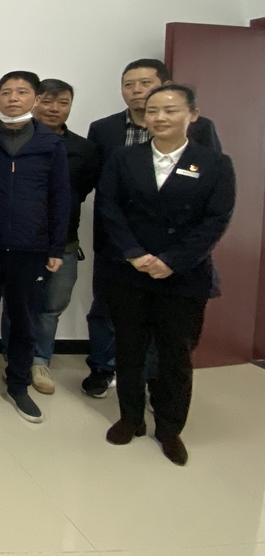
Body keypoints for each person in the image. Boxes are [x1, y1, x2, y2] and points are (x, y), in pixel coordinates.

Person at [96, 84, 235, 465]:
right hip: (131, 271)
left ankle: (170, 428)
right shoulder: (125, 158)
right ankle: (130, 417)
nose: (160, 117)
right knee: (129, 348)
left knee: (176, 353)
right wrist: (134, 253)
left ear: (192, 115)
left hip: (184, 275)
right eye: (152, 110)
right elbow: (109, 207)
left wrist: (172, 260)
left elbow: (216, 220)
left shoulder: (215, 164)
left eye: (170, 110)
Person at [82, 58, 223, 398]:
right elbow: (100, 189)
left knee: (168, 322)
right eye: (129, 84)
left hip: (175, 247)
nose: (136, 91)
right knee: (106, 310)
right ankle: (103, 369)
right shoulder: (104, 129)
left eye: (145, 83)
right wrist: (130, 249)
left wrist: (174, 256)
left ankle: (154, 381)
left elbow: (213, 195)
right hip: (119, 244)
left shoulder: (200, 129)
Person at [0, 71, 70, 423]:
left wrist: (55, 248)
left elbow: (60, 198)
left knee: (24, 321)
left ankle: (19, 384)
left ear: (36, 98)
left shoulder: (50, 143)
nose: (13, 98)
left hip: (31, 248)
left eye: (22, 92)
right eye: (6, 92)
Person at [0, 78, 101, 395]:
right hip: (18, 242)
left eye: (63, 102)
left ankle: (39, 361)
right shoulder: (8, 140)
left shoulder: (84, 149)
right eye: (47, 100)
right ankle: (13, 361)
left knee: (51, 307)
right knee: (16, 305)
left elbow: (78, 192)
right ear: (35, 101)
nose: (54, 108)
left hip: (63, 243)